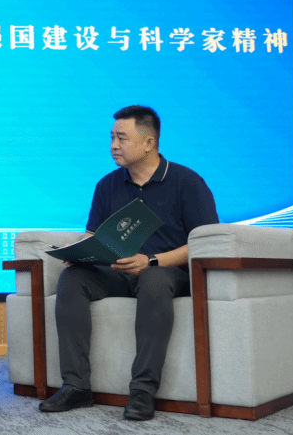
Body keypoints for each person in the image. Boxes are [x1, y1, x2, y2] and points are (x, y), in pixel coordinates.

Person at [39, 105, 218, 421]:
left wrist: (151, 261)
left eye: (121, 138)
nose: (113, 145)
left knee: (153, 279)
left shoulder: (187, 182)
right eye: (111, 137)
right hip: (118, 271)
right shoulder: (107, 185)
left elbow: (205, 242)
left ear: (149, 143)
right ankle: (76, 385)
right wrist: (78, 250)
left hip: (168, 272)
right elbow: (94, 235)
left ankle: (142, 391)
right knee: (73, 278)